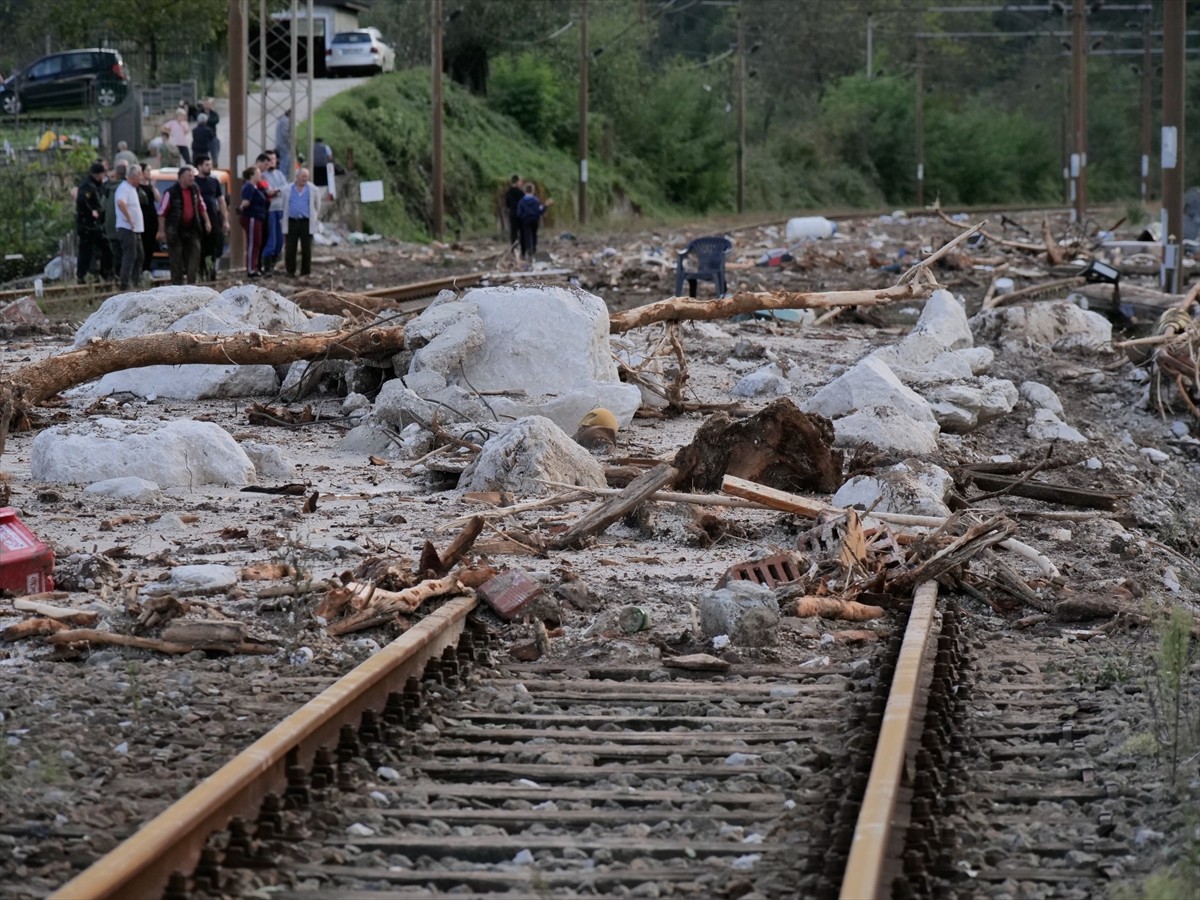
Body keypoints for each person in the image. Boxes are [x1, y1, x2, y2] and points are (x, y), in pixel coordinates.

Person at [156, 165, 211, 285]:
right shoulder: (170, 192)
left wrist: (207, 221)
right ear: (181, 178)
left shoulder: (195, 189)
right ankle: (177, 286)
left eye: (193, 176)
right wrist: (161, 231)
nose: (192, 178)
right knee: (176, 261)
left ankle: (192, 283)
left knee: (194, 256)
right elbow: (161, 213)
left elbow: (201, 206)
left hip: (192, 229)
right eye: (189, 176)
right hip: (175, 231)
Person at [193, 155, 229, 281]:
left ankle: (211, 272)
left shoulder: (214, 181)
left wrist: (225, 220)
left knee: (214, 247)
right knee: (200, 248)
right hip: (198, 221)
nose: (209, 167)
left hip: (214, 219)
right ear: (199, 166)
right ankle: (200, 273)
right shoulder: (194, 182)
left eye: (210, 165)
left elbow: (221, 201)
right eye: (207, 165)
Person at [75, 161, 111, 283]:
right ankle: (82, 276)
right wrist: (91, 212)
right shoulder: (88, 186)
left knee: (104, 248)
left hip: (94, 225)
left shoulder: (95, 185)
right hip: (87, 225)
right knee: (86, 251)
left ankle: (104, 274)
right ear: (99, 174)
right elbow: (81, 200)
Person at [113, 164, 144, 290]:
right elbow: (121, 202)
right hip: (127, 228)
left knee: (139, 256)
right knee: (130, 256)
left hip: (134, 229)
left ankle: (135, 282)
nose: (141, 178)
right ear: (134, 176)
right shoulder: (124, 188)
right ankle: (125, 285)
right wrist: (130, 219)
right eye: (140, 175)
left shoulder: (132, 188)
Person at [282, 167, 318, 277]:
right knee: (290, 248)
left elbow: (317, 205)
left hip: (306, 222)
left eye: (306, 177)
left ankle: (305, 271)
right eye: (303, 176)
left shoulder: (313, 189)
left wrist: (314, 217)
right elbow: (284, 204)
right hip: (292, 221)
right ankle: (290, 271)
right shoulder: (288, 189)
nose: (305, 179)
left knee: (306, 248)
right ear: (297, 177)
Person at [238, 165, 269, 277]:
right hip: (252, 217)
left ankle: (255, 267)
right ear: (252, 175)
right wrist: (241, 207)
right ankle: (250, 268)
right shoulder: (249, 187)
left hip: (258, 218)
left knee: (257, 242)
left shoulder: (255, 187)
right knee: (252, 243)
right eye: (258, 173)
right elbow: (246, 201)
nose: (260, 175)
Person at [260, 150, 288, 273]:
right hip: (270, 209)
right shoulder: (263, 175)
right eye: (270, 160)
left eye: (274, 159)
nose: (272, 162)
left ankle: (273, 263)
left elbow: (285, 188)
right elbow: (268, 190)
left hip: (280, 208)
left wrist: (276, 191)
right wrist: (276, 191)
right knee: (271, 238)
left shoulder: (280, 174)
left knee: (280, 240)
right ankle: (267, 265)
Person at [102, 163, 127, 282]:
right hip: (126, 225)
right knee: (126, 253)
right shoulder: (128, 187)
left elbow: (103, 206)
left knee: (115, 252)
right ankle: (123, 278)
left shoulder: (108, 188)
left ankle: (116, 276)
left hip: (110, 226)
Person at [516, 182, 552, 261]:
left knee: (527, 235)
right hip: (535, 219)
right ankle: (534, 250)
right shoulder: (536, 201)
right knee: (534, 235)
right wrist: (546, 205)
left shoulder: (522, 201)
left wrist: (521, 218)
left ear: (524, 191)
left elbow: (519, 213)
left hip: (525, 220)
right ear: (533, 191)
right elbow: (540, 211)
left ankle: (528, 250)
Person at [137, 163, 160, 281]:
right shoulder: (137, 187)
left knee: (150, 244)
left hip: (151, 218)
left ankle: (147, 269)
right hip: (142, 218)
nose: (150, 173)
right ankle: (140, 270)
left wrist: (153, 186)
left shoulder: (150, 186)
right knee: (142, 246)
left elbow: (158, 199)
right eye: (148, 171)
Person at [504, 174, 524, 256]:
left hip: (512, 214)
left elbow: (507, 204)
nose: (521, 183)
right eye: (520, 181)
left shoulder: (508, 192)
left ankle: (514, 248)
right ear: (517, 182)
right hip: (520, 214)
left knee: (513, 232)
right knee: (522, 231)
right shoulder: (520, 193)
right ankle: (523, 249)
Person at [201, 97, 221, 166]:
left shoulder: (214, 114)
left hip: (212, 137)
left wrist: (206, 121)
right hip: (202, 138)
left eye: (208, 104)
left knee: (214, 155)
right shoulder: (200, 112)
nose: (207, 105)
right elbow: (197, 119)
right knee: (202, 157)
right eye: (205, 104)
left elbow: (216, 120)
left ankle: (215, 167)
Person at [274, 108, 291, 177]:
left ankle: (284, 176)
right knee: (285, 162)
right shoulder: (285, 121)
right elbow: (285, 134)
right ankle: (283, 176)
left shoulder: (281, 120)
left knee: (284, 161)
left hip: (280, 144)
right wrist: (290, 143)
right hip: (284, 145)